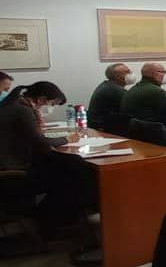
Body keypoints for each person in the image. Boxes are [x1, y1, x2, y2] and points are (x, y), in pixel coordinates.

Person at [0, 82, 97, 227]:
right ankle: (48, 222)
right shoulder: (22, 110)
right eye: (51, 103)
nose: (49, 108)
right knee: (73, 177)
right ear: (41, 99)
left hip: (11, 164)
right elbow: (41, 142)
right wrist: (67, 139)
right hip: (12, 172)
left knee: (69, 168)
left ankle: (56, 220)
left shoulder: (14, 104)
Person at [88, 63, 134, 129]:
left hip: (100, 124)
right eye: (127, 72)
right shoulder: (115, 90)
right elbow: (132, 108)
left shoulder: (107, 85)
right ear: (117, 77)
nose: (131, 73)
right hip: (102, 128)